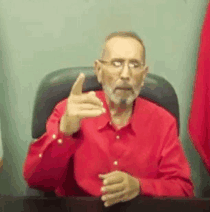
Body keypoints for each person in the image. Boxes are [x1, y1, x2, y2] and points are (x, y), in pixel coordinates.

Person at [23, 31, 194, 207]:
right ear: (99, 70)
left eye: (134, 65)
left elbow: (183, 189)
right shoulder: (70, 110)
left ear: (143, 75)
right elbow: (36, 181)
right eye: (117, 63)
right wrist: (64, 132)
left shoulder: (162, 122)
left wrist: (140, 187)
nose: (126, 74)